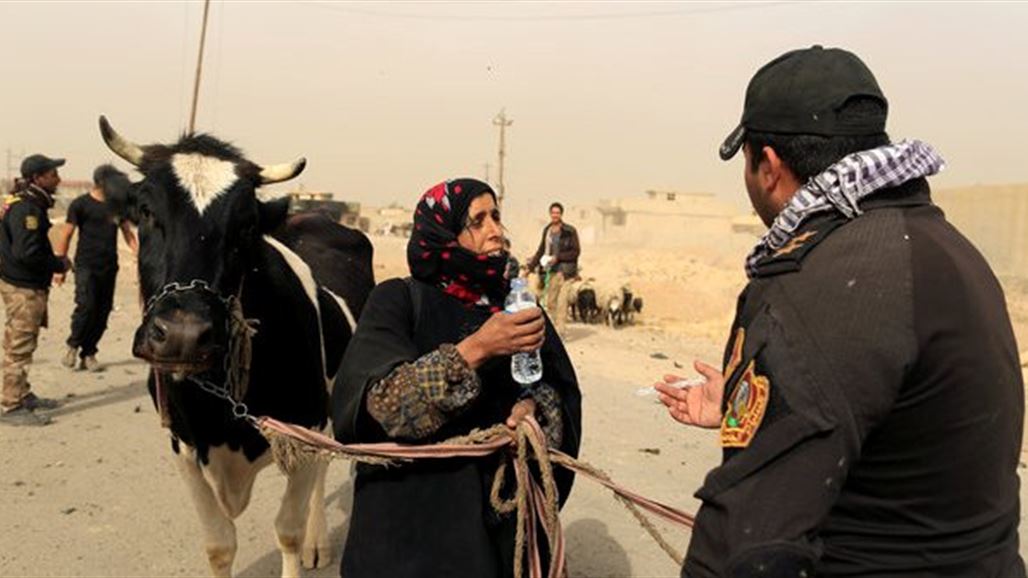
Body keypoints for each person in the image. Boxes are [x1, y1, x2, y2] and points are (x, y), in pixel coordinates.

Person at [654, 46, 1025, 577]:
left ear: (768, 167)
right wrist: (758, 409)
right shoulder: (948, 248)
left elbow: (747, 542)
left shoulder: (816, 278)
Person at [333, 178, 582, 578]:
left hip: (499, 531)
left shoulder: (516, 304)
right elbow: (374, 409)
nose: (495, 230)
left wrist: (534, 411)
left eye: (496, 217)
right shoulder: (397, 300)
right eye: (478, 221)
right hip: (407, 536)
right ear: (442, 233)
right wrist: (477, 349)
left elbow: (560, 391)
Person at [0, 154, 72, 426]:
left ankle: (22, 393)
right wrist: (58, 263)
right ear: (38, 178)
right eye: (53, 175)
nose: (58, 179)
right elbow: (27, 253)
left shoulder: (26, 203)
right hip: (23, 288)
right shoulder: (27, 209)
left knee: (24, 343)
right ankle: (11, 405)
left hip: (23, 284)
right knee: (19, 346)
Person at [54, 164, 137, 371]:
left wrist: (138, 254)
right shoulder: (80, 204)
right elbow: (66, 234)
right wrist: (59, 267)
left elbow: (127, 232)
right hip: (86, 265)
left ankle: (89, 353)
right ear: (101, 183)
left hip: (109, 266)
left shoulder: (116, 206)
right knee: (86, 306)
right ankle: (73, 345)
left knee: (103, 311)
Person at [525, 202, 580, 334]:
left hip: (566, 272)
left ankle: (560, 331)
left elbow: (575, 251)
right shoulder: (547, 231)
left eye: (558, 213)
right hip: (552, 271)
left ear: (561, 214)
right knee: (551, 303)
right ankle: (556, 327)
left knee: (562, 303)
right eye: (553, 212)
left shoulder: (570, 231)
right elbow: (541, 250)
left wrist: (558, 257)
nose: (555, 215)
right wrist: (530, 267)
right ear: (550, 214)